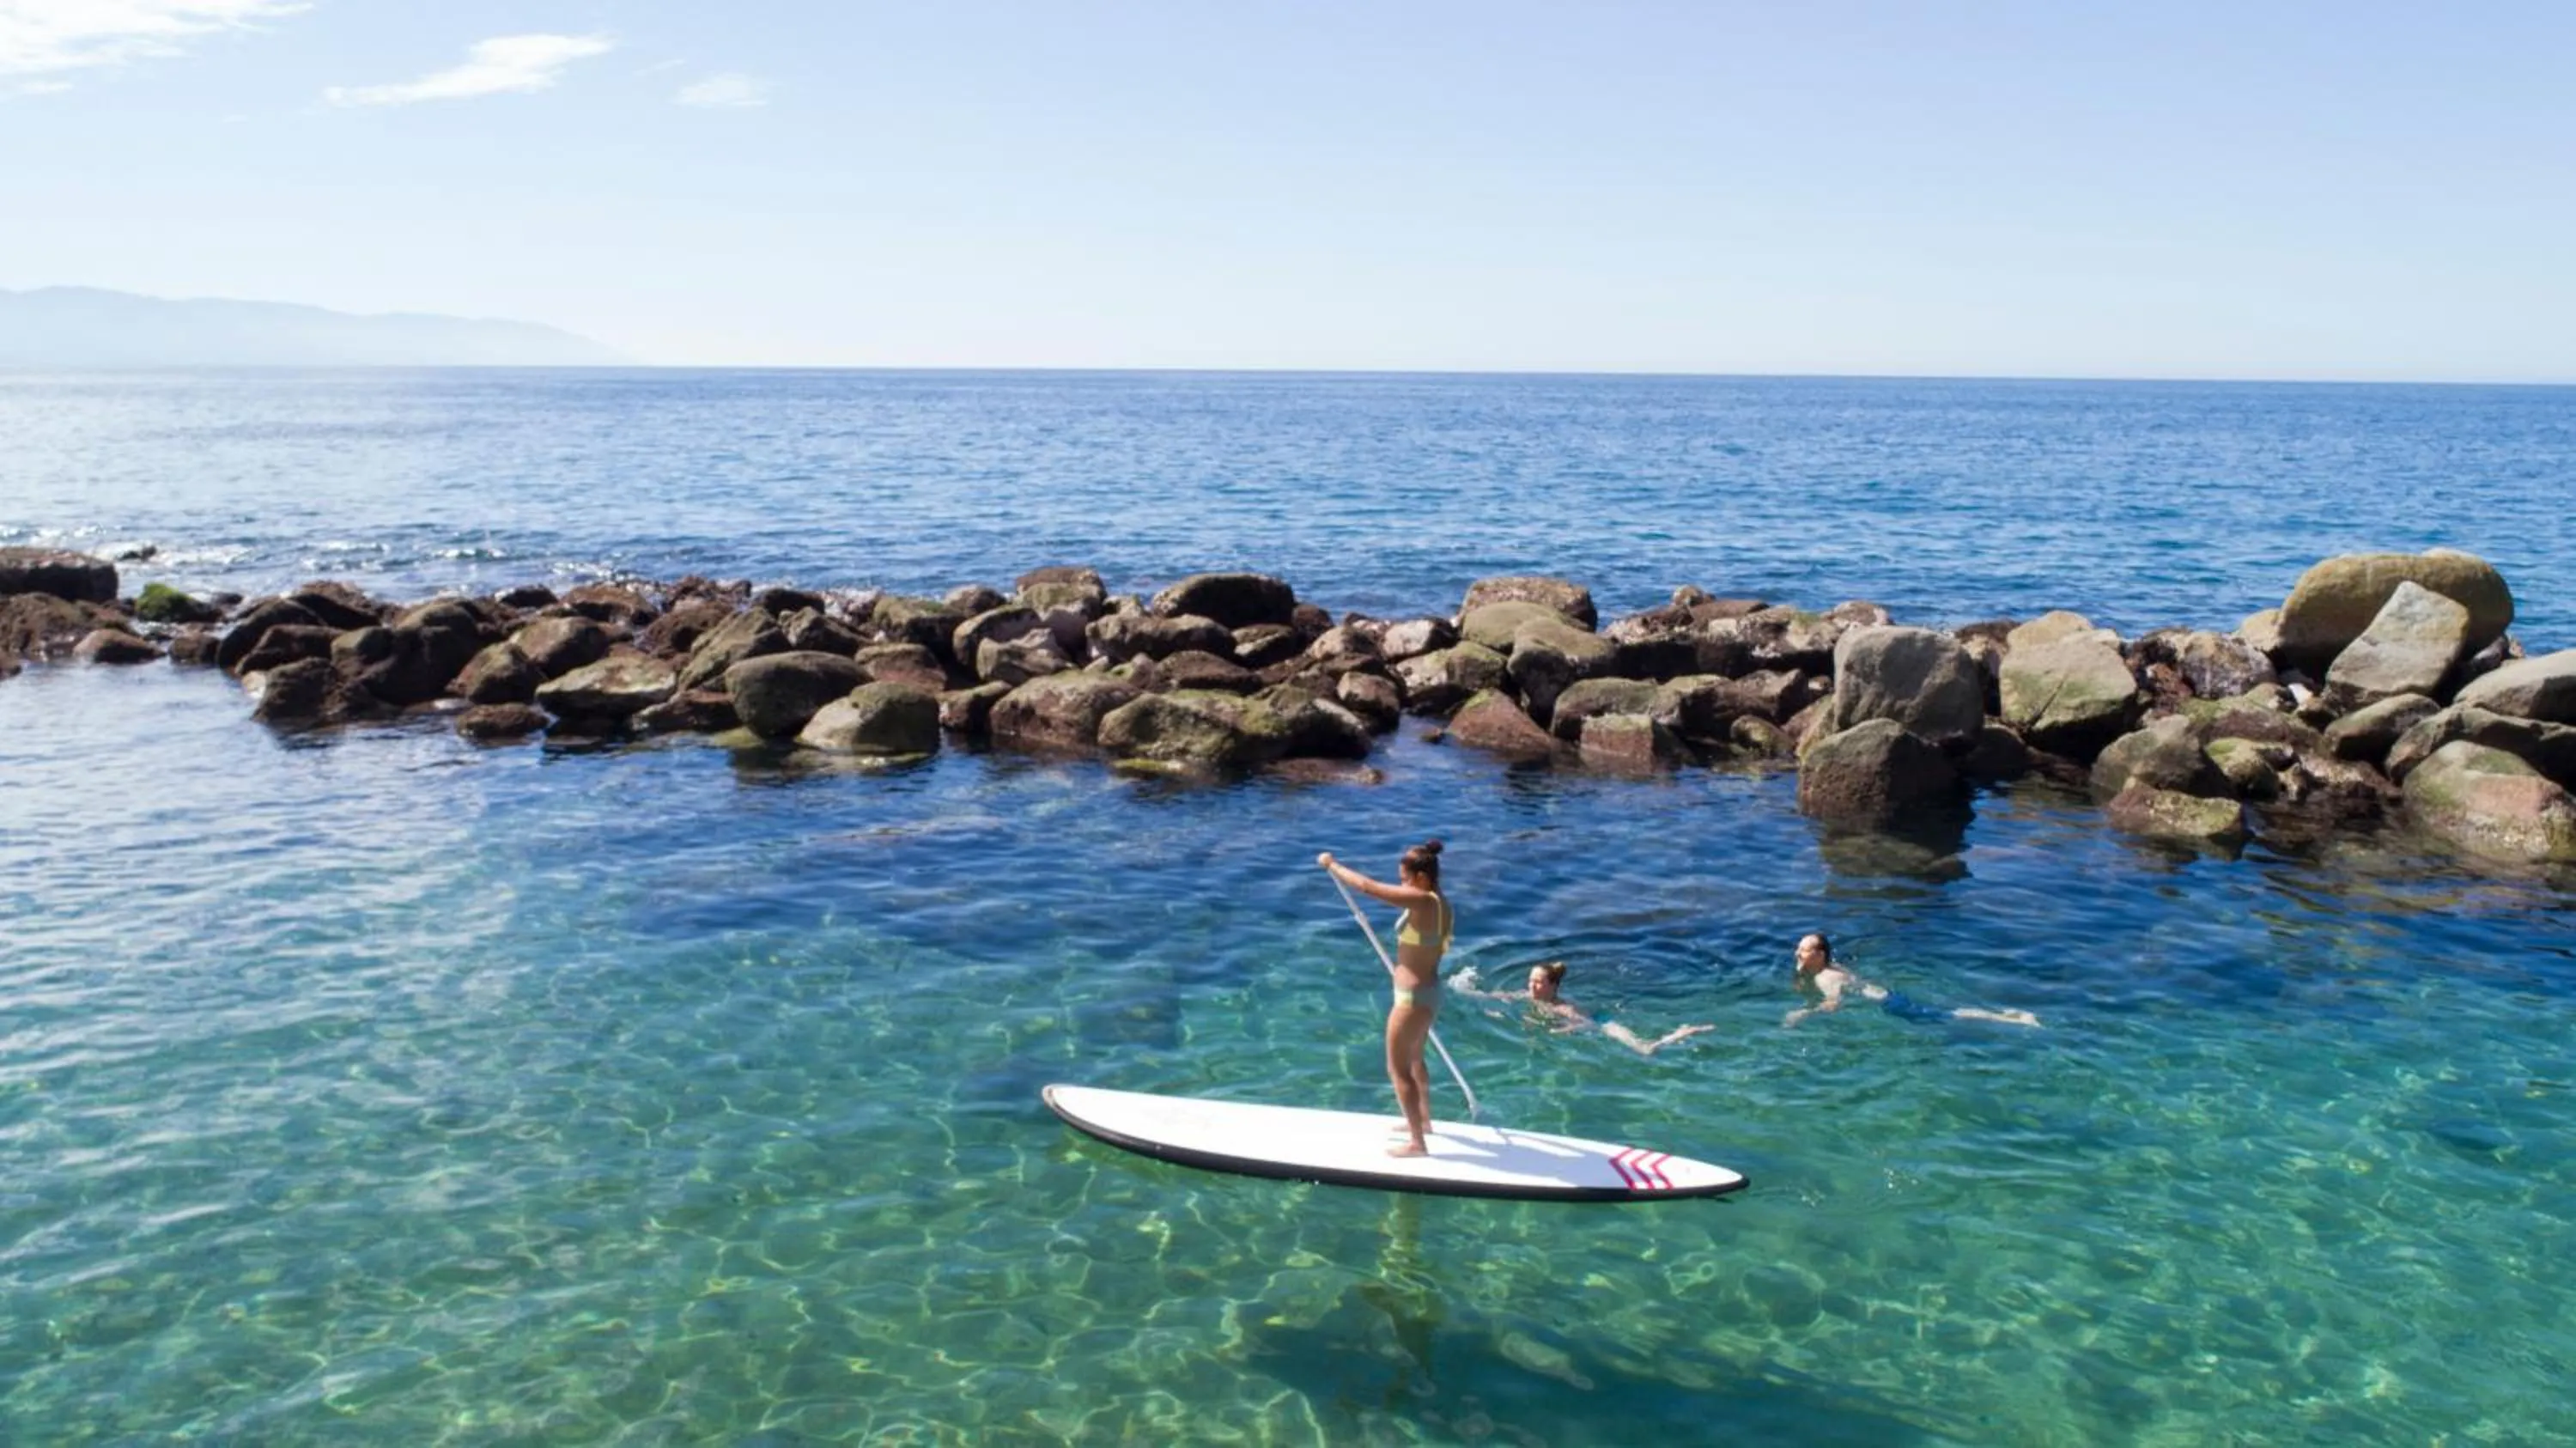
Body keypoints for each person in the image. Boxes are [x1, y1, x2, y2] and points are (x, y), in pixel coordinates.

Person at [1318, 840, 1452, 1157]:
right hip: (1428, 992)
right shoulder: (1440, 902)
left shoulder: (1422, 900)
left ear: (1421, 878)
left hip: (1412, 999)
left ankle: (1417, 1143)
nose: (1401, 885)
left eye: (1405, 879)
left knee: (1397, 1068)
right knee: (1416, 1059)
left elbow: (1368, 887)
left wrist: (1331, 864)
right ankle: (1424, 1121)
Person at [1455, 960, 1716, 1056]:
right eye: (1531, 980)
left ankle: (1682, 1032)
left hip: (1602, 1022)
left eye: (1539, 982)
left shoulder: (1563, 1008)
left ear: (1553, 986)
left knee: (1645, 1050)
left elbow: (1586, 1023)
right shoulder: (1528, 996)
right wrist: (1466, 987)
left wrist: (1565, 1029)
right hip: (1590, 1019)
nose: (1532, 986)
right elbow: (1495, 996)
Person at [1784, 933, 2040, 1029]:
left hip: (1891, 1005)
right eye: (1799, 948)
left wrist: (1804, 1013)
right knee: (1945, 1014)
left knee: (1950, 1016)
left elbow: (1834, 1004)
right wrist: (1801, 968)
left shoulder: (1826, 978)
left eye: (1804, 950)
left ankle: (2014, 1019)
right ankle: (2005, 1016)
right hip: (1889, 997)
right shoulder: (1832, 966)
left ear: (1820, 955)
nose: (1798, 952)